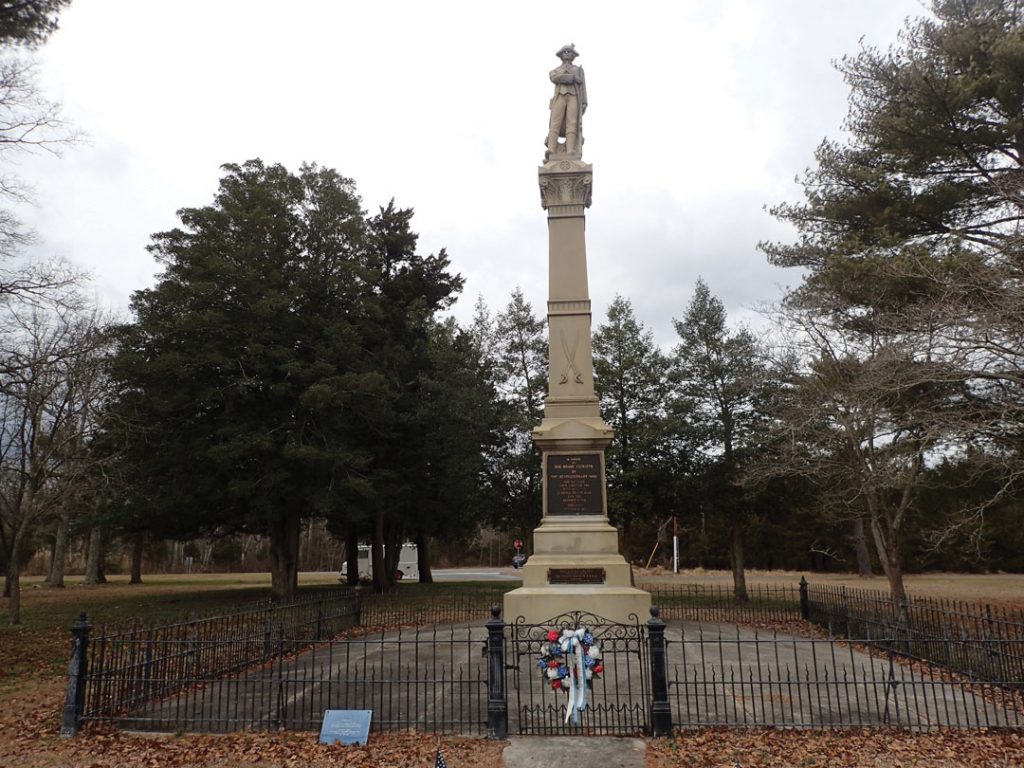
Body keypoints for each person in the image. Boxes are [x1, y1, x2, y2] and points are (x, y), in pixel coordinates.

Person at [546, 43, 587, 158]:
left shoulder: (578, 70)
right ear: (561, 55)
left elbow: (583, 87)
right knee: (555, 122)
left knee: (572, 123)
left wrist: (584, 102)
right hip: (560, 96)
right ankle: (551, 149)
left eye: (569, 51)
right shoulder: (557, 70)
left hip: (574, 96)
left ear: (573, 55)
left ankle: (570, 150)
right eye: (565, 52)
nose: (567, 53)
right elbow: (554, 78)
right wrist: (572, 78)